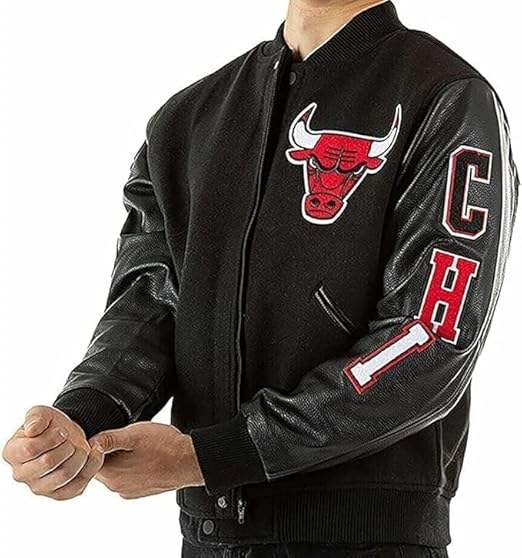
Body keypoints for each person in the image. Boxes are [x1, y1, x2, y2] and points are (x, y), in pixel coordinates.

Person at [3, 1, 519, 556]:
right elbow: (151, 303)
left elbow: (431, 337)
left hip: (370, 542)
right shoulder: (188, 119)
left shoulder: (447, 99)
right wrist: (79, 422)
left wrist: (213, 456)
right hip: (210, 538)